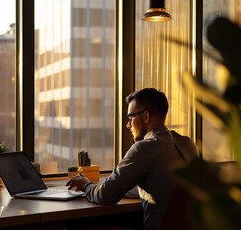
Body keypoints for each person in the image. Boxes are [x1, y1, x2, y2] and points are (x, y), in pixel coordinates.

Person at [66, 88, 199, 230]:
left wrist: (86, 185)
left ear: (146, 116)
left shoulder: (144, 148)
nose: (127, 125)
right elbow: (158, 185)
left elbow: (104, 196)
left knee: (76, 225)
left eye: (130, 118)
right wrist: (118, 186)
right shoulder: (189, 145)